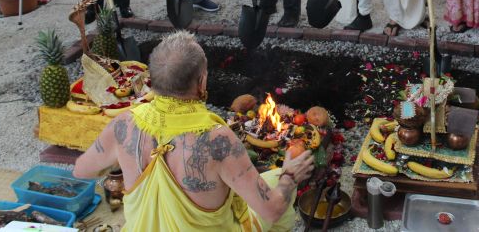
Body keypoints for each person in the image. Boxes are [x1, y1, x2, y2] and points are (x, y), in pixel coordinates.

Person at [73, 30, 314, 231]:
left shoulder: (124, 124)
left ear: (151, 79)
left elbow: (82, 170)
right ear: (202, 82)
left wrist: (128, 161)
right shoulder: (217, 139)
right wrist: (290, 176)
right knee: (276, 183)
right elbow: (271, 210)